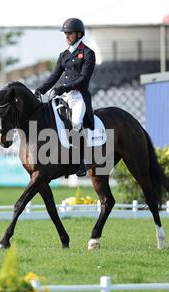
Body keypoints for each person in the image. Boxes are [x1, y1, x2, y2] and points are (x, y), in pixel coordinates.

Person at [35, 18, 96, 177]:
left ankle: (81, 160)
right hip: (62, 96)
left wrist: (65, 87)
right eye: (66, 33)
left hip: (78, 96)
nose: (67, 36)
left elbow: (84, 79)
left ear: (78, 34)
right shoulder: (63, 55)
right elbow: (54, 76)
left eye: (69, 33)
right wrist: (40, 90)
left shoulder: (88, 53)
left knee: (75, 123)